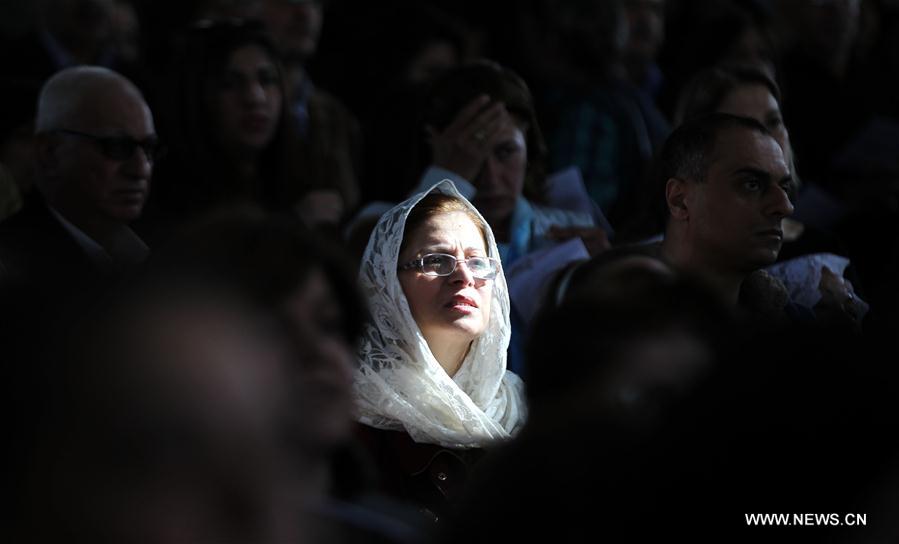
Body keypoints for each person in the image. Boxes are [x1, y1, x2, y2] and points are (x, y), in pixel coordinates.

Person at [354, 180, 527, 522]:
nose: (463, 276)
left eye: (478, 262)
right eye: (435, 259)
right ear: (386, 285)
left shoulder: (526, 411)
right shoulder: (348, 422)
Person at [0, 65, 157, 286]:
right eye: (116, 146)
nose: (141, 170)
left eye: (149, 149)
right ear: (49, 152)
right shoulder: (10, 267)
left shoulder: (159, 252)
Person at [656, 113, 800, 320]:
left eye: (785, 187)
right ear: (679, 200)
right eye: (751, 184)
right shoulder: (614, 321)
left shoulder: (790, 323)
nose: (785, 207)